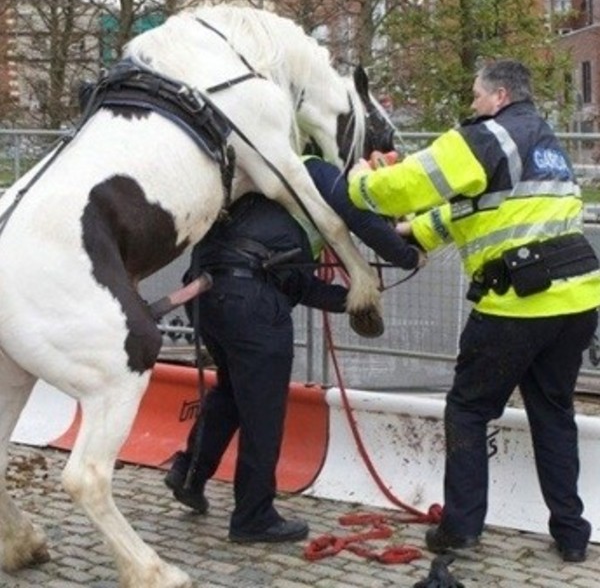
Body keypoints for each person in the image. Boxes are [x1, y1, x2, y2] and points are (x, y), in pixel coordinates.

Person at [347, 59, 600, 562]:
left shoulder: (488, 136)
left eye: (477, 96)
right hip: (578, 301)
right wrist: (416, 232)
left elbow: (410, 184)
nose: (472, 104)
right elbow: (484, 209)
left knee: (467, 408)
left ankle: (461, 529)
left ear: (500, 95)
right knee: (553, 413)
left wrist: (361, 184)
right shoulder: (543, 143)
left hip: (517, 304)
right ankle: (572, 534)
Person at [165, 159, 424, 543]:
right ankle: (253, 517)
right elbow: (366, 222)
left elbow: (294, 283)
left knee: (233, 393)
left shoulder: (269, 188)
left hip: (207, 293)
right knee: (263, 413)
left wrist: (351, 300)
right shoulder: (316, 172)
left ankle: (189, 474)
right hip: (251, 300)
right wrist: (409, 256)